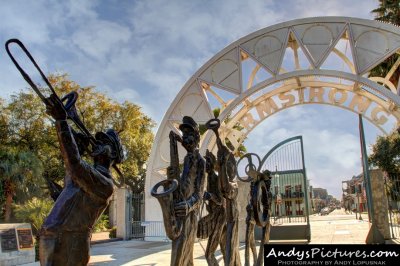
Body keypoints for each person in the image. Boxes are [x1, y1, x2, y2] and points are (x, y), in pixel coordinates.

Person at [39, 94, 124, 266]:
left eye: (104, 142)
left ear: (113, 154)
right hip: (53, 238)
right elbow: (71, 166)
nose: (96, 143)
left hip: (69, 243)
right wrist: (74, 140)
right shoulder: (86, 176)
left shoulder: (104, 184)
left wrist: (62, 122)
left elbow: (75, 166)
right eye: (97, 141)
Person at [168, 116, 205, 266]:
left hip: (189, 216)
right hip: (179, 214)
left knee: (180, 257)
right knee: (183, 258)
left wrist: (189, 205)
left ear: (196, 137)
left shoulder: (200, 162)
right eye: (184, 136)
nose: (186, 139)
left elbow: (200, 194)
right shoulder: (186, 161)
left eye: (189, 135)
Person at [218, 144, 241, 266]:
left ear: (235, 169)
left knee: (230, 252)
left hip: (232, 221)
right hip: (225, 222)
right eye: (227, 166)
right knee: (227, 251)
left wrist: (221, 166)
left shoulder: (234, 184)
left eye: (230, 166)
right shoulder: (223, 180)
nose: (228, 169)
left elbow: (226, 189)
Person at [202, 150, 226, 266]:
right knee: (225, 250)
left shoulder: (216, 179)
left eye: (207, 163)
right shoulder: (209, 179)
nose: (205, 165)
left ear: (212, 164)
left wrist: (210, 196)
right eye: (204, 163)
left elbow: (221, 200)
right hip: (215, 216)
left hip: (219, 217)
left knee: (209, 254)